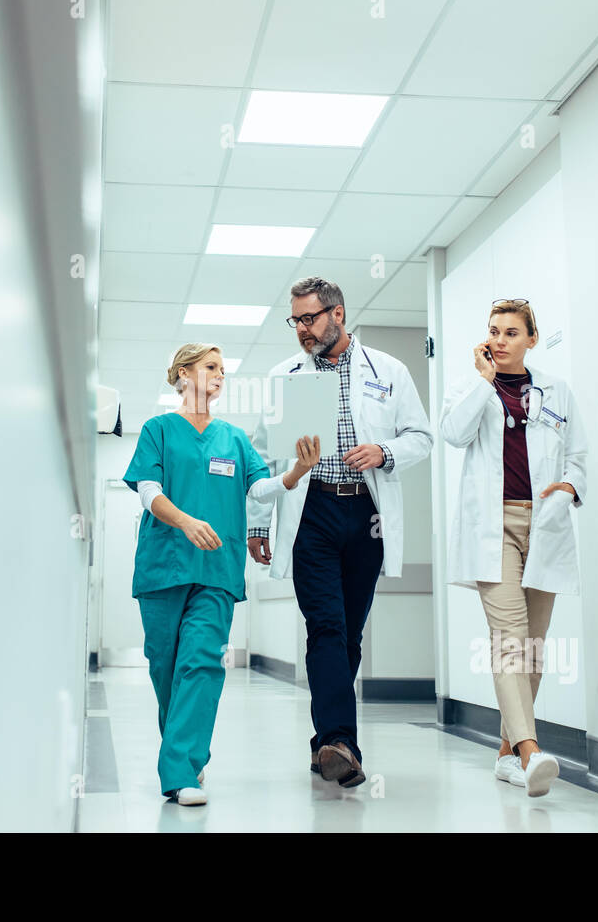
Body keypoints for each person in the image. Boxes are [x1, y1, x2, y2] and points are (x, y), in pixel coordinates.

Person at [248, 277, 433, 789]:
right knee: (325, 626)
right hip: (311, 512)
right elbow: (264, 456)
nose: (303, 330)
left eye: (310, 319)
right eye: (296, 321)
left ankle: (324, 743)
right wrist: (259, 522)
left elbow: (421, 436)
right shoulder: (285, 375)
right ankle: (341, 741)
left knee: (349, 632)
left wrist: (385, 452)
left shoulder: (388, 371)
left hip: (365, 514)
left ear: (338, 313)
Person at [124, 342, 320, 805]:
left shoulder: (233, 438)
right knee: (166, 669)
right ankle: (187, 751)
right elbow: (148, 491)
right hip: (162, 566)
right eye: (211, 367)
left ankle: (180, 773)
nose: (219, 375)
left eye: (223, 370)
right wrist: (187, 522)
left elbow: (261, 487)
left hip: (217, 568)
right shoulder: (158, 430)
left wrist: (295, 473)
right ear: (183, 374)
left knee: (202, 663)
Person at [439, 299, 588, 797]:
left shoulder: (556, 391)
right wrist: (482, 382)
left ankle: (506, 754)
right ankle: (531, 750)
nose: (499, 340)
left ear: (531, 339)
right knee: (509, 638)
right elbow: (453, 434)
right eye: (493, 331)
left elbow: (579, 454)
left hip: (543, 523)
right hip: (493, 526)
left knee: (534, 649)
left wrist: (569, 486)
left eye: (510, 332)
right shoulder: (471, 388)